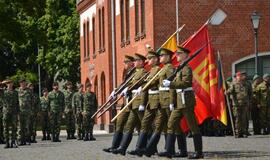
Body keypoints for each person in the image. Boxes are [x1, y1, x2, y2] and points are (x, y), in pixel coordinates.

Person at [161, 46, 203, 159]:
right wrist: (172, 101)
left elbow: (186, 83)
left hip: (186, 100)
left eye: (179, 53)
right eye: (177, 53)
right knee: (171, 124)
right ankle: (169, 151)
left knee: (192, 126)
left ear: (185, 55)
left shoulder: (186, 68)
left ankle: (199, 152)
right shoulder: (179, 68)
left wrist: (170, 84)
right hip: (178, 101)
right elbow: (175, 86)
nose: (177, 55)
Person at [143, 48, 176, 157]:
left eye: (162, 56)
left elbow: (171, 85)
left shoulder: (169, 68)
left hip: (166, 100)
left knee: (170, 126)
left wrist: (172, 101)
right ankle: (150, 149)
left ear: (167, 57)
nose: (160, 57)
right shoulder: (163, 68)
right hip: (162, 101)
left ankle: (170, 150)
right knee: (159, 126)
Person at [127, 49, 161, 156]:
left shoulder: (158, 70)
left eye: (150, 58)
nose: (148, 60)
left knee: (165, 127)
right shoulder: (151, 71)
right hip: (150, 101)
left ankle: (167, 149)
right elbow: (145, 84)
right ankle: (141, 148)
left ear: (156, 59)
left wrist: (142, 102)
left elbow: (156, 85)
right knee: (145, 124)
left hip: (158, 100)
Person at [112, 53, 147, 155]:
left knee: (144, 126)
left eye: (135, 61)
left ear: (140, 62)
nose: (134, 62)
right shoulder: (135, 73)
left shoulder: (143, 72)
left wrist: (142, 103)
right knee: (130, 126)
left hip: (138, 101)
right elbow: (127, 84)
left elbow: (143, 87)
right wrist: (117, 90)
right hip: (132, 102)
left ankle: (146, 148)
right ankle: (122, 148)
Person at [103, 55, 136, 152]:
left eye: (126, 62)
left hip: (133, 102)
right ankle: (115, 146)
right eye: (124, 62)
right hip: (126, 103)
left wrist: (127, 89)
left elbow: (132, 85)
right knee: (119, 122)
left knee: (139, 126)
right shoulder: (128, 73)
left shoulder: (135, 72)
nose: (125, 64)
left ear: (131, 63)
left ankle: (147, 148)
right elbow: (124, 84)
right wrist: (115, 91)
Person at [227, 71, 252, 138]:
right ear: (237, 77)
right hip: (236, 104)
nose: (240, 77)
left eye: (241, 76)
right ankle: (238, 132)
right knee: (237, 119)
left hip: (245, 104)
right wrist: (227, 92)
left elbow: (250, 93)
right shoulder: (234, 84)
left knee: (244, 119)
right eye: (239, 76)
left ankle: (244, 132)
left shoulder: (247, 84)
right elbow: (230, 91)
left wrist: (249, 102)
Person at [2, 79, 19, 148]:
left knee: (14, 128)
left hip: (14, 112)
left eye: (11, 83)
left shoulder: (15, 92)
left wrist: (18, 112)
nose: (10, 84)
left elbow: (18, 102)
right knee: (5, 128)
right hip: (6, 112)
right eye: (8, 83)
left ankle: (13, 142)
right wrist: (2, 82)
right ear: (6, 84)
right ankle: (7, 142)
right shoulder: (3, 92)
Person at [18, 78, 32, 145]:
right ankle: (20, 139)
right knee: (20, 126)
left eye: (24, 83)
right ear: (20, 84)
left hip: (27, 111)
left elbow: (32, 100)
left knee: (26, 126)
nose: (23, 84)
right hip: (19, 111)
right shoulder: (17, 91)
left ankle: (26, 139)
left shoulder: (29, 91)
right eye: (22, 83)